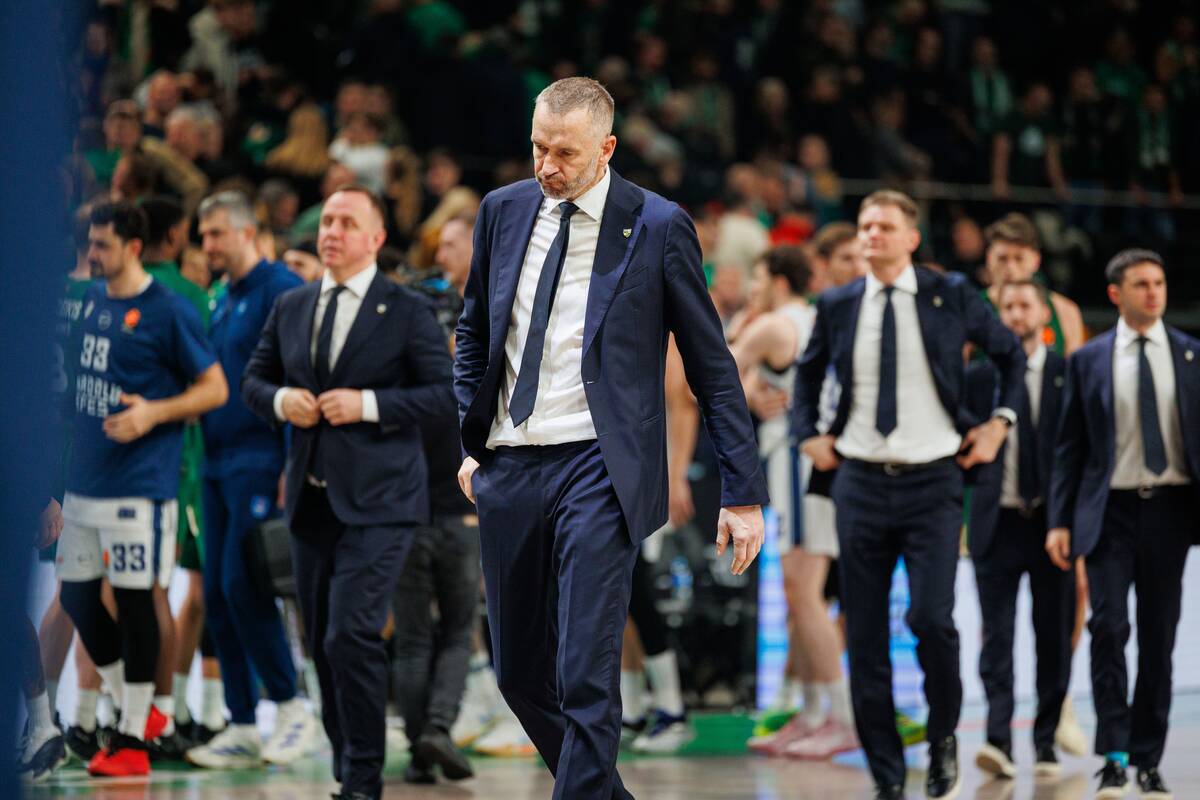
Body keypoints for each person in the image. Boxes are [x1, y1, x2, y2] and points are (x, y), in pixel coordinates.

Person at [453, 77, 767, 800]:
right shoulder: (502, 211)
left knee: (585, 675)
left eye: (565, 153)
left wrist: (742, 491)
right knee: (517, 674)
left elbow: (711, 365)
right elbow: (473, 335)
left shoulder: (658, 225)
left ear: (607, 149)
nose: (546, 166)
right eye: (538, 147)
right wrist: (470, 442)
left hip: (599, 466)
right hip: (509, 462)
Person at [793, 190, 1024, 800]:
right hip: (859, 481)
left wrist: (999, 423)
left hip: (934, 479)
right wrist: (807, 434)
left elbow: (1012, 355)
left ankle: (943, 735)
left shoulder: (951, 294)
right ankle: (887, 775)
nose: (872, 235)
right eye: (865, 226)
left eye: (885, 226)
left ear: (911, 238)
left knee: (931, 618)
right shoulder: (839, 303)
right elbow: (808, 372)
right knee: (864, 635)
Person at [242, 185, 454, 800]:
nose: (331, 232)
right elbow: (254, 381)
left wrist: (367, 405)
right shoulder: (293, 305)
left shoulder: (406, 308)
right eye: (327, 221)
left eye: (346, 222)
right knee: (320, 643)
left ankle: (363, 780)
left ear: (376, 238)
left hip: (382, 502)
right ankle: (348, 766)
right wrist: (284, 400)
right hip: (312, 502)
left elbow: (443, 394)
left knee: (350, 634)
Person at [55, 201, 228, 777]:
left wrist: (153, 412)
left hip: (140, 484)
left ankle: (132, 738)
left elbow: (215, 389)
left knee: (135, 602)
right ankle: (134, 708)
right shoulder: (89, 303)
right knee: (77, 597)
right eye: (90, 242)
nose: (93, 254)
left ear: (133, 247)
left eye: (103, 244)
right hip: (84, 480)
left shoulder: (168, 310)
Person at [1047, 249, 1198, 800]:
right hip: (1109, 511)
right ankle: (1112, 754)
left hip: (1171, 510)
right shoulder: (1089, 359)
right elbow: (1069, 447)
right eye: (1141, 284)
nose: (1153, 292)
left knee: (1159, 636)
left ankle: (1148, 758)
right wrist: (1059, 520)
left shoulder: (1190, 355)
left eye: (1159, 282)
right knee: (1108, 627)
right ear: (1116, 294)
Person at [186, 191, 318, 769]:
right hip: (215, 462)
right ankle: (240, 722)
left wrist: (292, 462)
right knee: (216, 592)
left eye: (216, 233)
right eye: (203, 234)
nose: (208, 244)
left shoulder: (279, 289)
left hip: (260, 458)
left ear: (246, 232)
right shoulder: (223, 297)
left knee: (247, 584)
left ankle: (291, 707)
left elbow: (298, 378)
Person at [980, 211, 1089, 755]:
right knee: (995, 630)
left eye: (1018, 258)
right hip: (997, 490)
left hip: (1051, 492)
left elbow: (1083, 381)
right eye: (1000, 258)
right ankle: (1000, 736)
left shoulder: (1062, 313)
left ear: (1036, 262)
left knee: (1068, 604)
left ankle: (1059, 706)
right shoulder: (973, 310)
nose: (1009, 267)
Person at [964, 280, 1074, 779]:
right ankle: (998, 740)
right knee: (996, 641)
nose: (1015, 314)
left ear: (1043, 314)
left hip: (1052, 525)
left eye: (1024, 305)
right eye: (1006, 307)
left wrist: (1071, 521)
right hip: (997, 521)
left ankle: (1046, 741)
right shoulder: (977, 376)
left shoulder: (1067, 373)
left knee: (1053, 637)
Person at [140, 194, 218, 758]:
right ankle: (164, 714)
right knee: (170, 591)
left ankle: (155, 713)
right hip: (180, 465)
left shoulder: (105, 295)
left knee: (154, 593)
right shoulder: (189, 300)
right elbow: (212, 388)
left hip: (145, 466)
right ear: (176, 236)